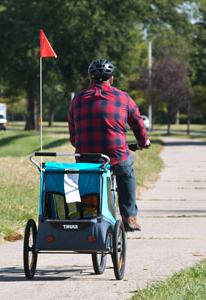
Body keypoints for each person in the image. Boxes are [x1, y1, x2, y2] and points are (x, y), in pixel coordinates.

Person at [68, 58, 150, 232]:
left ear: (89, 79)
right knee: (126, 173)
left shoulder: (77, 100)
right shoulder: (124, 98)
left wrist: (82, 146)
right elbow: (138, 124)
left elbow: (73, 136)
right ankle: (129, 217)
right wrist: (143, 143)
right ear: (111, 79)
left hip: (87, 157)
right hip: (116, 154)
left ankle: (88, 212)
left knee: (87, 176)